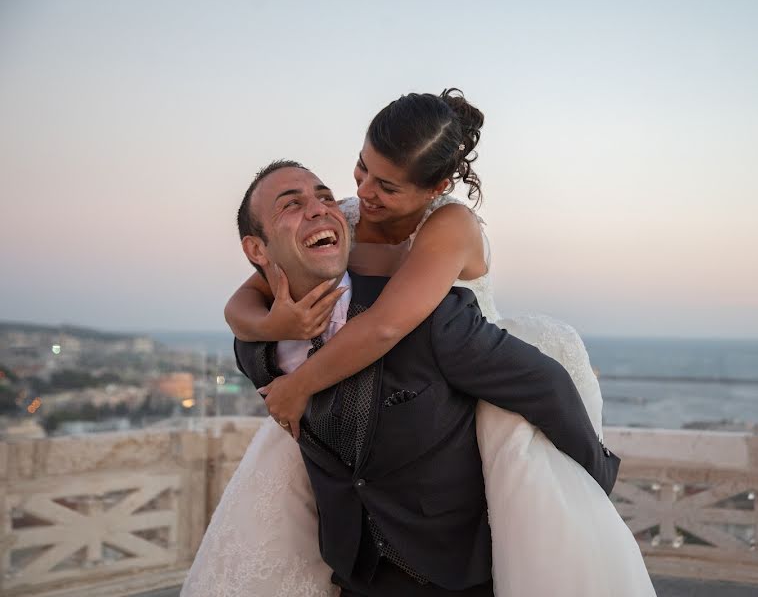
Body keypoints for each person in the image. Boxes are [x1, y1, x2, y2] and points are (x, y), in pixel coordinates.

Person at [183, 90, 656, 596]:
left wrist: (298, 386)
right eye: (361, 169)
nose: (363, 192)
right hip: (363, 391)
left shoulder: (449, 226)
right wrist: (277, 323)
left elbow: (388, 324)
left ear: (437, 187)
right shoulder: (345, 214)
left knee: (528, 524)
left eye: (386, 185)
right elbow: (242, 302)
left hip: (463, 374)